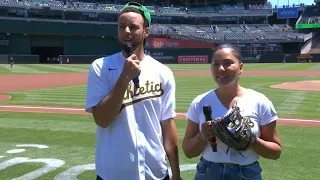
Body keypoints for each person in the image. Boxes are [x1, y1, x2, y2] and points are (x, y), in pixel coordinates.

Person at [85, 2, 181, 180]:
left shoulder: (163, 72)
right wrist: (124, 78)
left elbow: (167, 125)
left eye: (133, 26)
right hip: (113, 173)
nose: (126, 31)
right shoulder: (101, 67)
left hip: (155, 172)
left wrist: (175, 172)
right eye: (122, 26)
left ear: (146, 31)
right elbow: (102, 119)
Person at [182, 44, 282, 180]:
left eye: (228, 63)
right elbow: (188, 151)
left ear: (240, 67)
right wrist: (202, 136)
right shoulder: (199, 102)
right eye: (215, 64)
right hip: (208, 173)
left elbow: (275, 152)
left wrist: (251, 141)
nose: (221, 69)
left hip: (247, 173)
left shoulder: (260, 101)